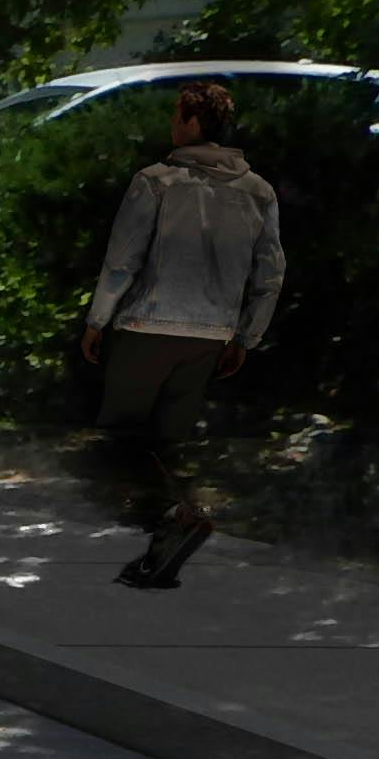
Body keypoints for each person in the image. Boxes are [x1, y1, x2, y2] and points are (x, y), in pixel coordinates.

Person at [77, 80, 283, 588]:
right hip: (211, 336)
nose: (172, 123)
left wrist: (97, 320)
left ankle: (176, 520)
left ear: (193, 123)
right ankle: (158, 557)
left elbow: (123, 261)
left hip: (149, 325)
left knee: (122, 439)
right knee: (165, 443)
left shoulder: (157, 181)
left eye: (177, 115)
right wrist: (245, 337)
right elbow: (270, 273)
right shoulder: (258, 191)